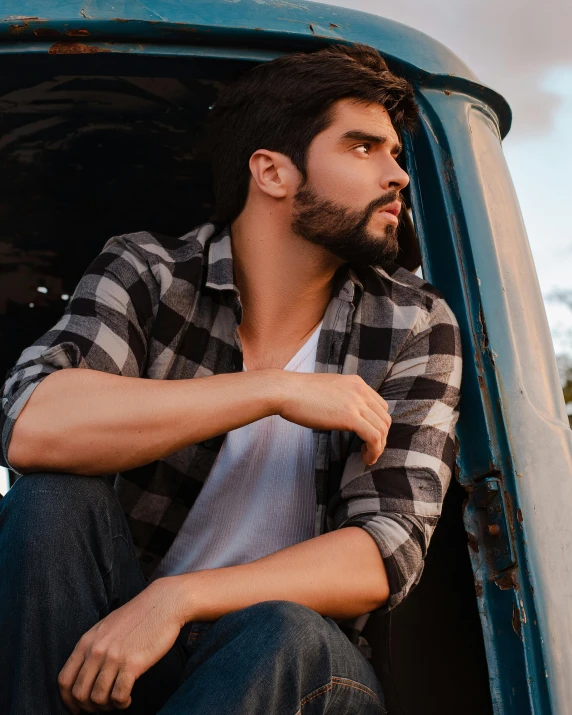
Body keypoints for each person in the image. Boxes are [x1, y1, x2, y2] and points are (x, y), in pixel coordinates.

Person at [0, 42, 462, 715]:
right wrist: (271, 390)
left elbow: (384, 551)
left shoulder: (415, 323)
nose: (398, 176)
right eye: (364, 148)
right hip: (123, 658)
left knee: (282, 630)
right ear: (272, 172)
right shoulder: (149, 273)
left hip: (306, 673)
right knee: (51, 501)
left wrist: (180, 595)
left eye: (395, 154)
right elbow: (31, 426)